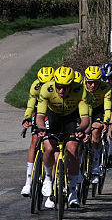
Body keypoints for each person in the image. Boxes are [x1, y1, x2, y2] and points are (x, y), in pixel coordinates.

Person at [35, 66, 91, 208]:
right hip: (53, 117)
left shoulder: (80, 90)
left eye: (65, 88)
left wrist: (80, 129)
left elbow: (85, 118)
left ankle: (72, 191)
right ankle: (48, 178)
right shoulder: (46, 89)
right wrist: (41, 128)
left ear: (71, 85)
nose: (61, 91)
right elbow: (40, 115)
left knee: (72, 148)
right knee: (48, 147)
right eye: (58, 87)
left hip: (71, 118)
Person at [20, 66, 54, 196]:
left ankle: (49, 176)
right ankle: (28, 182)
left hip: (51, 112)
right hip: (39, 112)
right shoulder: (35, 86)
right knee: (34, 141)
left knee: (50, 144)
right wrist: (27, 118)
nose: (44, 86)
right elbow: (30, 104)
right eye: (42, 83)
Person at [83, 65, 112, 184]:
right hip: (84, 111)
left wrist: (106, 122)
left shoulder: (105, 88)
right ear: (85, 80)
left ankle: (95, 164)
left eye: (96, 82)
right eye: (90, 82)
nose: (93, 86)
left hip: (98, 111)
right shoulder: (81, 87)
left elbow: (107, 108)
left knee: (95, 130)